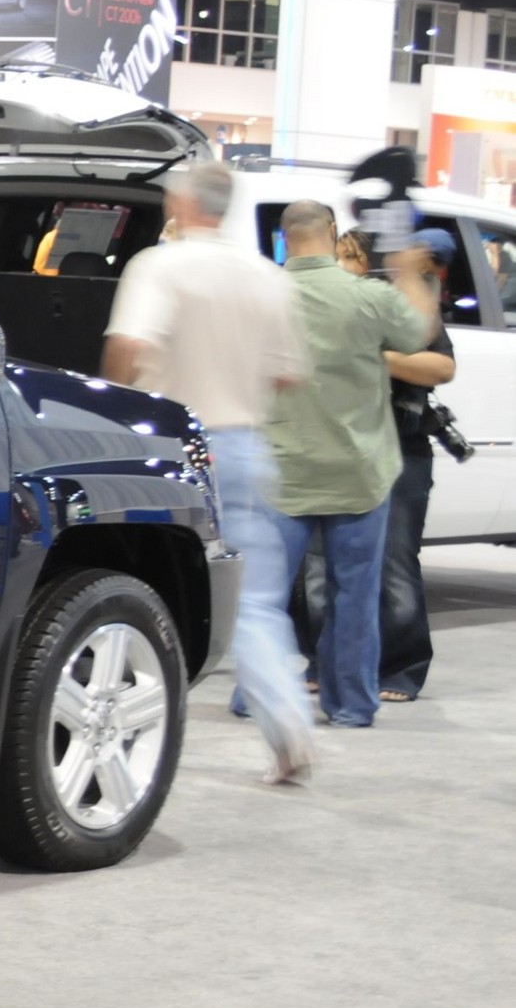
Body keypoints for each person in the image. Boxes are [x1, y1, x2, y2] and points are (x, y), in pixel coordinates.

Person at [102, 161, 313, 783]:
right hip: (248, 447)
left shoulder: (160, 266)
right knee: (257, 602)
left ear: (183, 204)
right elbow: (288, 374)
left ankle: (126, 724)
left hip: (178, 447)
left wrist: (114, 404)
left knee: (141, 588)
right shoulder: (268, 277)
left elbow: (129, 347)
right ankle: (290, 731)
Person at [263, 199, 439, 733]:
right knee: (355, 593)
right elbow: (418, 337)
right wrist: (410, 273)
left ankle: (260, 700)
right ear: (332, 232)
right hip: (358, 470)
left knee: (264, 597)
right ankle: (351, 705)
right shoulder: (366, 296)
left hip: (280, 469)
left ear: (284, 236)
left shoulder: (260, 295)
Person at [300, 225, 458, 703]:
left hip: (400, 452)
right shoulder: (323, 306)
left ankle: (400, 669)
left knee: (394, 564)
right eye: (338, 257)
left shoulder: (403, 310)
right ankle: (322, 660)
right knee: (317, 566)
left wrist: (372, 353)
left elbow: (441, 367)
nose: (343, 268)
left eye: (351, 258)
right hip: (332, 449)